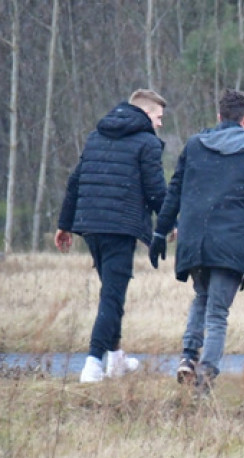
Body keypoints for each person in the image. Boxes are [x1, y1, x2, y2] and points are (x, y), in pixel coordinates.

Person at [149, 88, 244, 392]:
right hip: (232, 243)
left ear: (219, 116)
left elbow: (175, 191)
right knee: (218, 312)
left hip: (195, 239)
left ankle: (187, 358)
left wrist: (160, 231)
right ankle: (205, 377)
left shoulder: (195, 146)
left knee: (202, 297)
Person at [55, 89, 168, 382]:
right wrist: (169, 222)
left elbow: (75, 180)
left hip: (90, 225)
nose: (160, 123)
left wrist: (64, 224)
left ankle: (116, 359)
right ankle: (93, 364)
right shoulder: (147, 142)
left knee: (111, 293)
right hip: (120, 227)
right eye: (158, 117)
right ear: (145, 113)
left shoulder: (96, 136)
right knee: (112, 296)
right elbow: (156, 190)